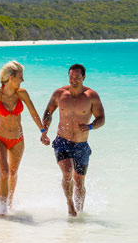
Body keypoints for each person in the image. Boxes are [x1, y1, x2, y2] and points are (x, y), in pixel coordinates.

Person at [0, 60, 49, 215]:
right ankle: (2, 207)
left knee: (13, 174)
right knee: (5, 172)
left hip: (18, 140)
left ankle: (9, 202)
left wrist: (43, 131)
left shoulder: (22, 93)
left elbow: (33, 112)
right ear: (11, 77)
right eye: (20, 77)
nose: (23, 80)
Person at [41, 64, 105, 217]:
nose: (73, 80)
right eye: (71, 77)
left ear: (83, 77)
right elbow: (48, 112)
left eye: (77, 77)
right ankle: (70, 204)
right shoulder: (60, 94)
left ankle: (80, 211)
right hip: (62, 140)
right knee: (67, 172)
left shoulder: (91, 96)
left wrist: (90, 126)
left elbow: (101, 118)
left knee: (79, 180)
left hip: (81, 144)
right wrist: (44, 132)